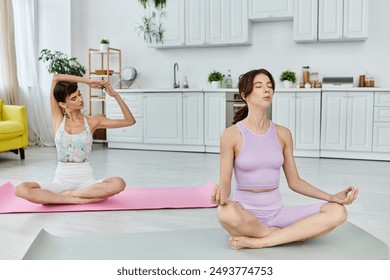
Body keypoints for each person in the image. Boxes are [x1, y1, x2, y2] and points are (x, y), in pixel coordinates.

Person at [211, 69, 358, 249]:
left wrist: (331, 197)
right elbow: (225, 183)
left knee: (337, 212)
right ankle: (286, 235)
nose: (267, 90)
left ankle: (263, 241)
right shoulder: (231, 135)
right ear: (244, 95)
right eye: (259, 86)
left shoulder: (283, 134)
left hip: (278, 214)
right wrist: (222, 195)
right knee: (225, 213)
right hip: (245, 215)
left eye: (269, 86)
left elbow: (295, 181)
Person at [15, 74, 136, 204]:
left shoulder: (92, 121)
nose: (80, 99)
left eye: (79, 94)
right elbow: (56, 78)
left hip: (86, 182)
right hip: (61, 181)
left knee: (118, 183)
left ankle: (68, 196)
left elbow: (129, 121)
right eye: (74, 98)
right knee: (21, 189)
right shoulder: (58, 119)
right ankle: (77, 200)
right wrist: (88, 81)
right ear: (62, 104)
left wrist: (115, 96)